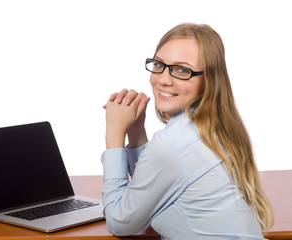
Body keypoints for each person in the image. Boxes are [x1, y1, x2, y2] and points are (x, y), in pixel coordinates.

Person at [101, 23, 274, 240]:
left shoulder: (173, 144)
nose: (163, 79)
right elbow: (153, 190)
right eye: (159, 64)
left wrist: (114, 137)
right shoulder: (214, 127)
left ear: (208, 80)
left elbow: (119, 222)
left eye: (182, 70)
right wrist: (136, 133)